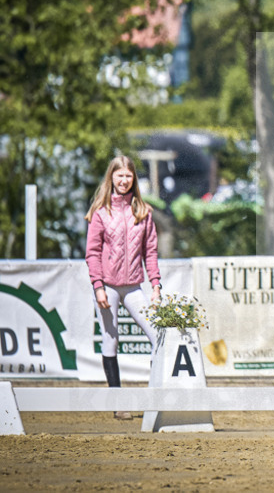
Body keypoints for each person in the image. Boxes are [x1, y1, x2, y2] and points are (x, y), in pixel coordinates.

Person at [85, 155, 161, 419]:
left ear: (133, 179)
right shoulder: (100, 212)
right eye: (119, 175)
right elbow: (92, 253)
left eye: (128, 176)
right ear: (112, 178)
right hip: (107, 287)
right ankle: (118, 404)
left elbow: (150, 252)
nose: (124, 180)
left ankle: (156, 398)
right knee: (111, 341)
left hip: (134, 287)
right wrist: (98, 286)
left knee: (158, 336)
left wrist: (155, 285)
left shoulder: (143, 212)